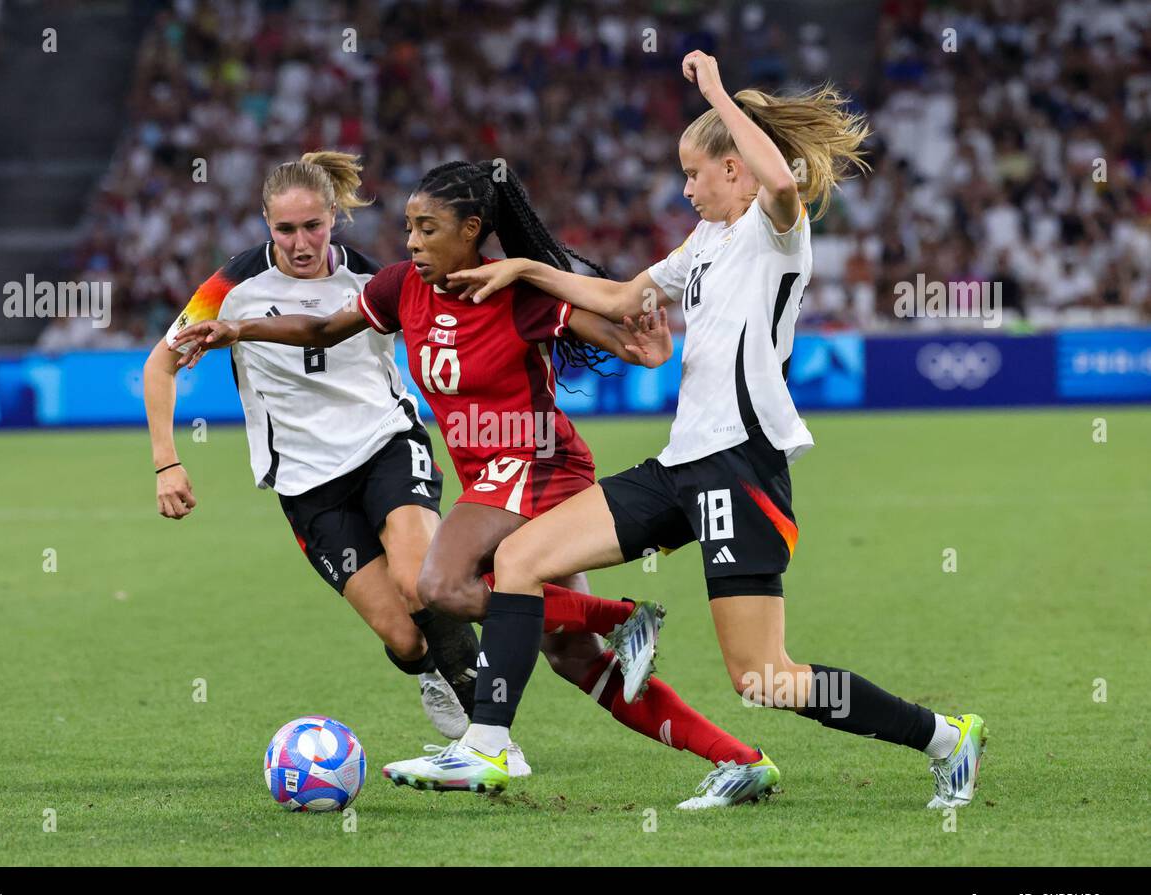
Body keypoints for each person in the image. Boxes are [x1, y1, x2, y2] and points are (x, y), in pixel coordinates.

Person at [398, 51, 988, 811]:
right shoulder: (702, 245)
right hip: (681, 464)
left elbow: (780, 181)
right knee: (517, 558)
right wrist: (525, 273)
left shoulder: (778, 230)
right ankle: (488, 746)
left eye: (694, 173)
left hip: (742, 468)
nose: (685, 187)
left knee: (763, 676)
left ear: (735, 169)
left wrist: (715, 92)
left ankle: (945, 736)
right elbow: (619, 296)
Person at [173, 159, 768, 792]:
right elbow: (322, 327)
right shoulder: (402, 287)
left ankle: (584, 653)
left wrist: (646, 347)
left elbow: (627, 343)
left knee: (440, 583)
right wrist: (236, 327)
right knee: (573, 657)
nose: (411, 243)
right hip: (490, 477)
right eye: (408, 228)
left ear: (471, 231)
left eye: (428, 230)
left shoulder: (515, 292)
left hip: (539, 462)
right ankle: (739, 759)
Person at [144, 152, 487, 751]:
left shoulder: (373, 278)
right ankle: (437, 672)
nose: (301, 243)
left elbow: (453, 334)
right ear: (265, 225)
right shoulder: (231, 288)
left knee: (418, 579)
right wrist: (166, 460)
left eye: (313, 227)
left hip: (386, 443)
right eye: (285, 229)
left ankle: (491, 734)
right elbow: (161, 363)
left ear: (334, 217)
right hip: (307, 482)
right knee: (404, 638)